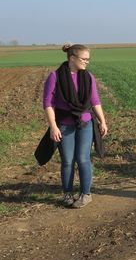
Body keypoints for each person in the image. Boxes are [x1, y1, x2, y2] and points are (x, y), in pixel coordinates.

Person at [41, 44, 108, 208]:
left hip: (85, 123)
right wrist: (53, 126)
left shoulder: (88, 77)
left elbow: (95, 101)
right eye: (84, 59)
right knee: (67, 161)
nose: (87, 62)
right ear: (72, 58)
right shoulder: (55, 76)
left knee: (83, 159)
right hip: (64, 124)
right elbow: (48, 104)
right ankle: (67, 194)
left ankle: (86, 194)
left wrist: (103, 121)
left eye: (88, 59)